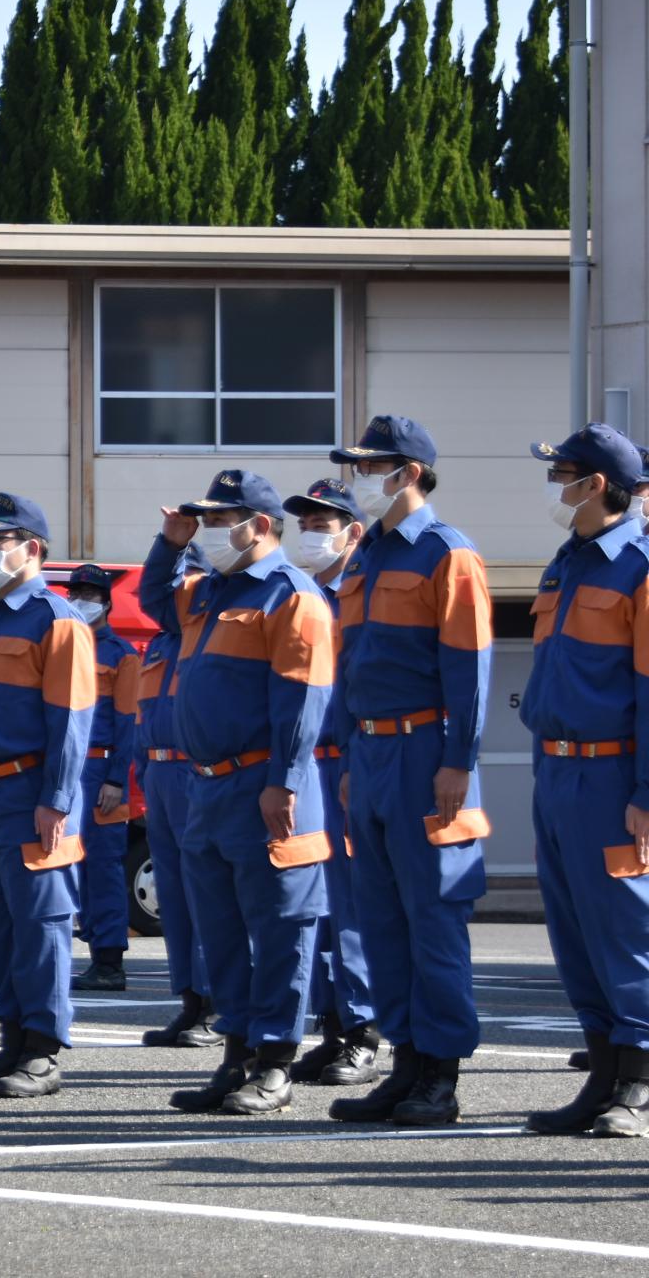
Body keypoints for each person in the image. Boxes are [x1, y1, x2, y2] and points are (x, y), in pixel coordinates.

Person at [142, 470, 333, 1116]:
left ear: (261, 524)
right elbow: (152, 599)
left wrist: (287, 782)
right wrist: (171, 544)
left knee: (280, 929)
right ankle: (236, 1055)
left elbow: (302, 701)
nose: (214, 529)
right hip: (209, 786)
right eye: (209, 519)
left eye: (224, 519)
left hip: (265, 783)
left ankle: (275, 1062)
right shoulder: (208, 593)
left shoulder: (291, 596)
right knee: (219, 931)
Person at [327, 416, 492, 1127]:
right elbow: (351, 663)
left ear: (410, 473)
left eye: (371, 466)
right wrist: (346, 750)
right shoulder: (366, 557)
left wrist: (459, 760)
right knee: (383, 921)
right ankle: (406, 1064)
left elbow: (470, 670)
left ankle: (442, 1077)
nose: (358, 478)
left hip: (427, 752)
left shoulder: (447, 555)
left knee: (433, 921)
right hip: (370, 752)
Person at [520, 425, 649, 1138]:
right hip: (558, 769)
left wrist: (647, 793)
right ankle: (602, 1077)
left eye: (562, 474)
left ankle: (638, 1082)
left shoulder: (640, 566)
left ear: (597, 482)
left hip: (612, 773)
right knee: (573, 933)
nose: (554, 488)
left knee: (626, 930)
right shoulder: (566, 565)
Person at [0, 494, 95, 1099]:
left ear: (31, 548)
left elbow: (72, 717)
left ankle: (42, 1050)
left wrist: (57, 798)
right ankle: (11, 1042)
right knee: (1, 929)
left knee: (42, 927)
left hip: (31, 789)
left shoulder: (56, 620)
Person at [281, 479, 382, 1086]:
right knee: (310, 905)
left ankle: (365, 1031)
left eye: (326, 523)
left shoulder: (365, 596)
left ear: (353, 531)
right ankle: (332, 1024)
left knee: (350, 903)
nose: (313, 533)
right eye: (308, 523)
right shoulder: (304, 598)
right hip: (305, 763)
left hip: (348, 761)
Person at [132, 611, 218, 1049]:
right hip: (160, 773)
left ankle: (215, 1004)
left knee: (206, 894)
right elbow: (142, 709)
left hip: (193, 770)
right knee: (173, 897)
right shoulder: (162, 643)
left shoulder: (211, 635)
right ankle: (189, 1000)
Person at [61, 564, 141, 993]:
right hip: (66, 769)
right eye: (76, 592)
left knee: (104, 867)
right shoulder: (62, 646)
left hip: (100, 771)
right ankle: (93, 950)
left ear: (107, 602)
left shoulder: (122, 654)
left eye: (90, 594)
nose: (81, 600)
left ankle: (109, 961)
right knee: (69, 866)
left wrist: (116, 778)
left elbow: (128, 722)